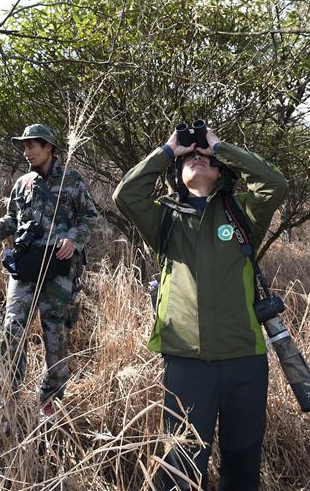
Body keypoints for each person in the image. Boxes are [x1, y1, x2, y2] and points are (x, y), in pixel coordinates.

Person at [113, 124, 288, 491]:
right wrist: (167, 151)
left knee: (242, 461)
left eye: (206, 158)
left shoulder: (242, 214)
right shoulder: (164, 216)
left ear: (221, 171)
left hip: (244, 358)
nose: (197, 157)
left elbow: (274, 183)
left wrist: (219, 146)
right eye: (189, 157)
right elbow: (126, 194)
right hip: (187, 361)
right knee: (180, 463)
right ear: (177, 173)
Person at [0, 124, 98, 416]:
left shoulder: (71, 179)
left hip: (59, 270)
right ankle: (6, 402)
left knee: (56, 336)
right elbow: (13, 220)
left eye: (32, 145)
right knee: (11, 331)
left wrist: (74, 239)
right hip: (27, 267)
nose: (27, 151)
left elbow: (89, 216)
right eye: (24, 146)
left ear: (49, 148)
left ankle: (50, 404)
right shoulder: (22, 183)